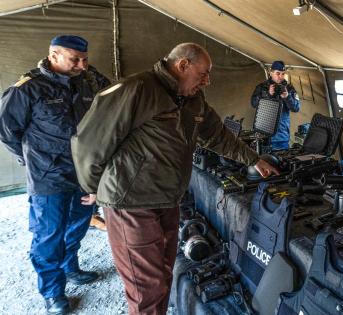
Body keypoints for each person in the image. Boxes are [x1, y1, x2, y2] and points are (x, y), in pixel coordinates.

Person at [71, 43, 279, 315]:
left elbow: (217, 135)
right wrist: (94, 188)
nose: (207, 81)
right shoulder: (137, 89)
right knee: (146, 289)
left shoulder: (193, 100)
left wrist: (254, 159)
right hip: (131, 203)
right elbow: (89, 142)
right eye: (203, 74)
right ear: (183, 65)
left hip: (168, 200)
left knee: (165, 274)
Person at [0, 35, 110, 315]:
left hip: (84, 173)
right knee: (48, 235)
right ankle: (52, 292)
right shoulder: (28, 88)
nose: (82, 65)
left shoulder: (90, 80)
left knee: (79, 223)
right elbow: (7, 130)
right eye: (75, 59)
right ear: (53, 55)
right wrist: (33, 160)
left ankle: (69, 267)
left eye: (85, 59)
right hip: (48, 177)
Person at [250, 60, 300, 150]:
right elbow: (253, 104)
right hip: (263, 134)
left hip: (281, 136)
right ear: (271, 72)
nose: (280, 76)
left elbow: (296, 108)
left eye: (283, 74)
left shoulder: (289, 88)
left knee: (280, 162)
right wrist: (267, 94)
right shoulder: (262, 87)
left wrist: (287, 97)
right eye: (278, 73)